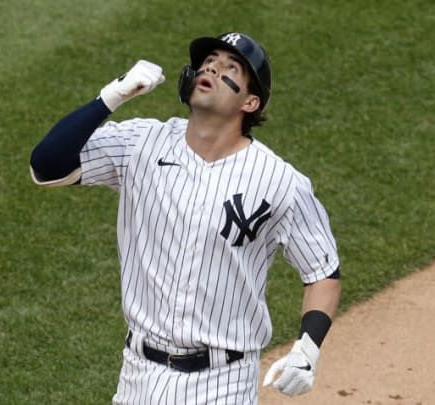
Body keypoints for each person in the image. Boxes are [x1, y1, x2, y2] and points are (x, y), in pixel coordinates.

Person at [29, 32, 342, 404]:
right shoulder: (142, 144)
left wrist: (307, 350)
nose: (211, 67)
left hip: (222, 382)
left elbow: (322, 272)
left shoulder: (280, 182)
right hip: (138, 376)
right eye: (208, 61)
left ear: (251, 101)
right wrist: (111, 97)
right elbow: (46, 166)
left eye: (231, 67)